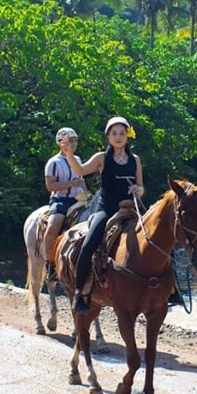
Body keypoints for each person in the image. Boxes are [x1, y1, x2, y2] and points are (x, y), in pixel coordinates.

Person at [62, 117, 145, 314]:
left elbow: (141, 186)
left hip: (130, 208)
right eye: (114, 133)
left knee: (161, 233)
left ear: (127, 136)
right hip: (107, 208)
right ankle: (80, 292)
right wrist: (69, 154)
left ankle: (171, 289)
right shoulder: (101, 158)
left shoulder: (135, 160)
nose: (118, 137)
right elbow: (80, 171)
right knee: (89, 244)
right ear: (108, 136)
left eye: (122, 134)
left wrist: (138, 189)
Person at [43, 127, 86, 280]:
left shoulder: (78, 160)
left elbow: (81, 181)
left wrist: (85, 191)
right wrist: (72, 183)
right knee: (52, 227)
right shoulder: (53, 162)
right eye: (69, 141)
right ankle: (50, 264)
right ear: (60, 143)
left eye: (75, 141)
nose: (73, 144)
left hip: (78, 200)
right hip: (60, 200)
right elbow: (50, 186)